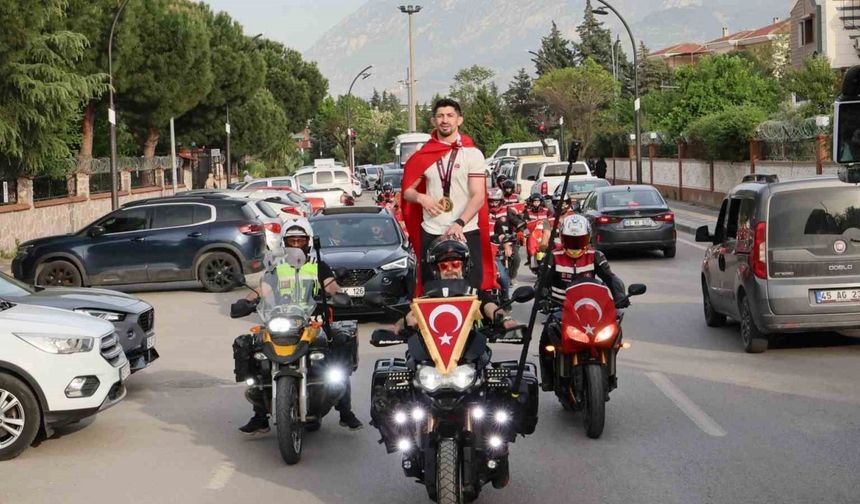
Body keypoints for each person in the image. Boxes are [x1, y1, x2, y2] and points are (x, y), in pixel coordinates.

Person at [239, 221, 363, 434]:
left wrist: (337, 293)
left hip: (313, 322)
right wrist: (247, 300)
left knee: (338, 348)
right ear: (284, 243)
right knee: (253, 351)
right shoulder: (278, 268)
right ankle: (260, 415)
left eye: (300, 241)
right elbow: (263, 288)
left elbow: (330, 285)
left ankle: (345, 411)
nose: (296, 245)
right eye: (292, 241)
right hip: (280, 320)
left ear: (308, 242)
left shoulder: (318, 266)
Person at [401, 98, 495, 295]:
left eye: (450, 115)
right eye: (440, 116)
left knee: (473, 292)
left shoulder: (472, 154)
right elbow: (407, 192)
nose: (445, 120)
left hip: (465, 230)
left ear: (459, 120)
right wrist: (421, 198)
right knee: (431, 293)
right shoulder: (424, 154)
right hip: (433, 231)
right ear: (433, 121)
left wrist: (459, 223)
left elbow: (478, 196)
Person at [537, 215, 626, 387]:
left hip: (590, 308)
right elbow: (541, 282)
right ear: (562, 238)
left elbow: (610, 278)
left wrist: (620, 295)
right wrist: (542, 298)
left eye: (579, 240)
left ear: (588, 238)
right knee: (546, 340)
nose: (575, 245)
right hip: (561, 308)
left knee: (615, 330)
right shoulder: (553, 256)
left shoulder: (596, 255)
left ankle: (609, 373)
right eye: (570, 240)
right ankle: (548, 380)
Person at [393, 237, 521, 334]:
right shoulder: (427, 296)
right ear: (436, 270)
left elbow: (490, 307)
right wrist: (403, 323)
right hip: (431, 353)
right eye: (444, 266)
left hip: (471, 350)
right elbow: (411, 314)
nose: (450, 270)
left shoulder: (474, 293)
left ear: (464, 267)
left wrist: (505, 319)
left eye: (455, 264)